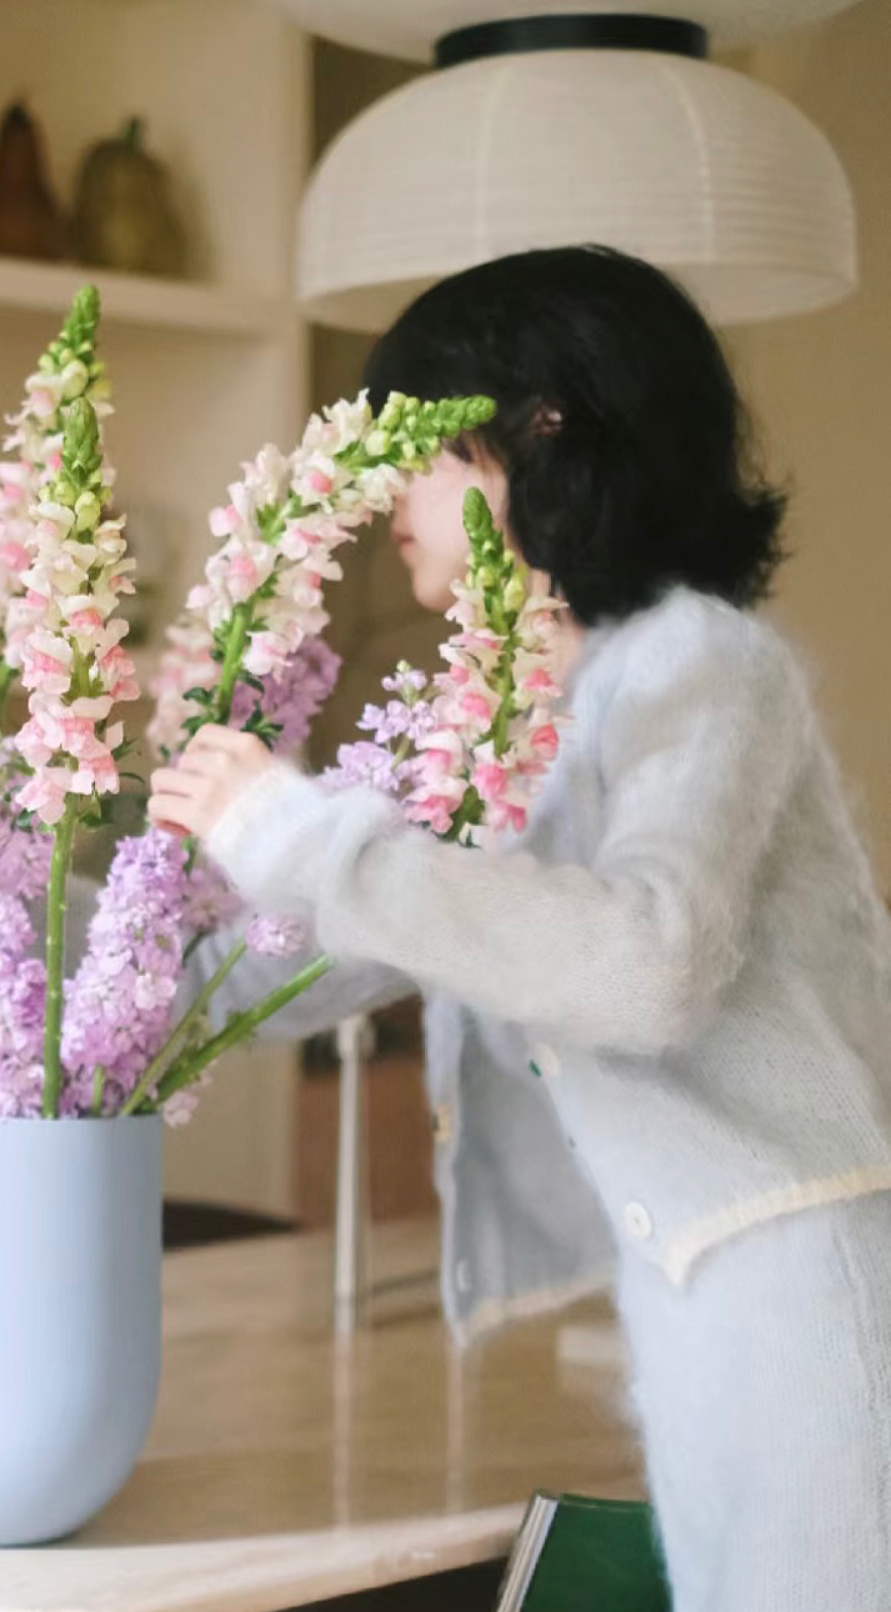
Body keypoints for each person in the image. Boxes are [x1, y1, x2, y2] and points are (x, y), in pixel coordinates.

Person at [150, 245, 891, 1612]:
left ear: (539, 430)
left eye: (420, 450)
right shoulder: (530, 713)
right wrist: (2, 929)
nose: (384, 500)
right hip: (708, 1291)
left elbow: (647, 960)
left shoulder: (700, 664)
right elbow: (329, 948)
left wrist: (298, 835)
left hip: (810, 1284)